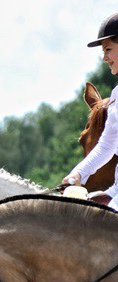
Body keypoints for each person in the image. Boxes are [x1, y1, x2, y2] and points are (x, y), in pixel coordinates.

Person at [63, 11, 118, 211]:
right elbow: (106, 146)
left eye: (108, 49)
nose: (104, 58)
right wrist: (77, 174)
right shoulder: (116, 96)